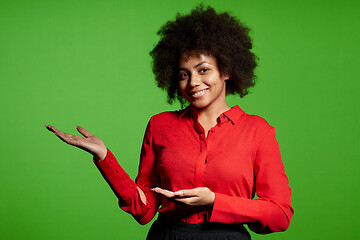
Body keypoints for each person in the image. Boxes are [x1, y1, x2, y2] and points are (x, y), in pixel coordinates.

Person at [45, 5, 293, 240]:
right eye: (184, 74)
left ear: (226, 71)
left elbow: (280, 215)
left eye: (203, 70)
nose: (193, 82)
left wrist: (215, 201)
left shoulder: (258, 131)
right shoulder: (160, 125)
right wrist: (104, 157)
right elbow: (144, 211)